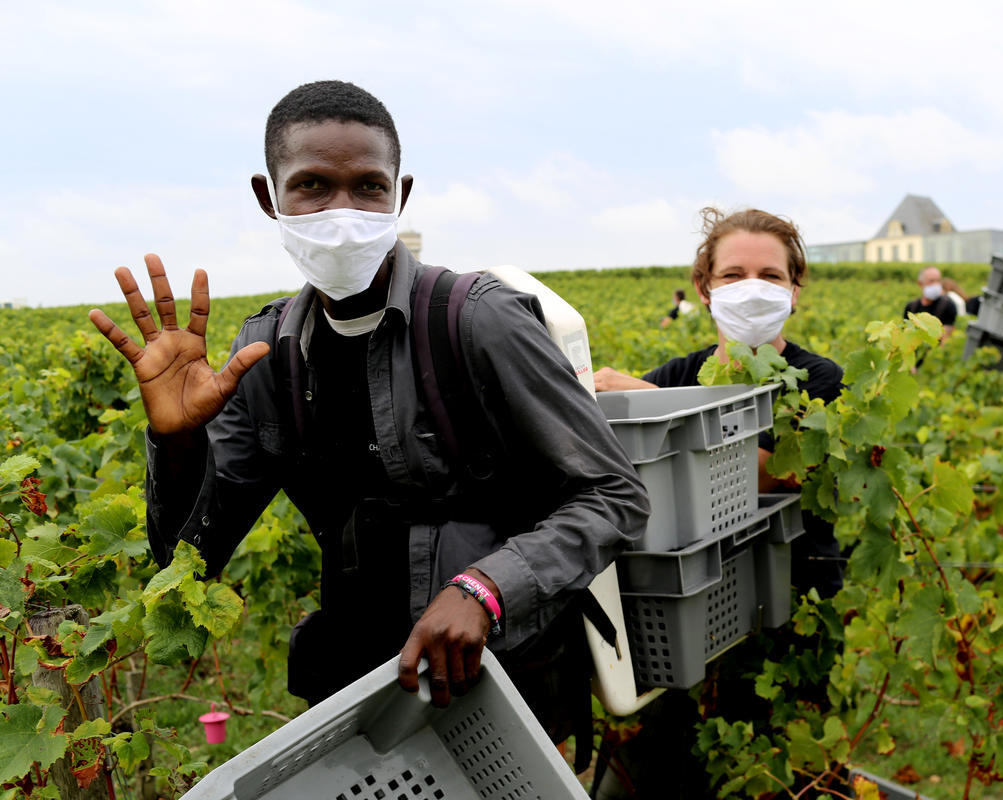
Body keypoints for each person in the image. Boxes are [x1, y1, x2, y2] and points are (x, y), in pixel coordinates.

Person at [87, 80, 650, 749]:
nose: (343, 211)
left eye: (368, 187)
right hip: (364, 694)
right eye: (313, 186)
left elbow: (614, 496)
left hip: (508, 679)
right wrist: (177, 444)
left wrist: (484, 590)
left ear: (399, 194)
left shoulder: (478, 319)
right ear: (270, 198)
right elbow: (189, 557)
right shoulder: (265, 356)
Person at [590, 208, 843, 800]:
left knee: (779, 773)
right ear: (704, 289)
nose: (751, 288)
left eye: (770, 275)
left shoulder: (818, 380)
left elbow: (782, 478)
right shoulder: (681, 373)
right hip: (684, 614)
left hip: (785, 609)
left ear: (795, 290)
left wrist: (659, 406)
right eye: (733, 275)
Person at [904, 266, 957, 341]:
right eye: (931, 281)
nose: (936, 285)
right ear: (920, 283)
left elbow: (946, 337)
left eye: (938, 281)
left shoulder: (947, 305)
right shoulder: (911, 307)